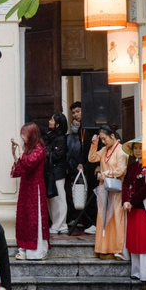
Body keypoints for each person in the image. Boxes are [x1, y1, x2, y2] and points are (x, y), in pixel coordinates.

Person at [122, 138, 146, 281]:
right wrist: (125, 201)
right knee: (134, 240)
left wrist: (132, 201)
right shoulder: (132, 167)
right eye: (136, 148)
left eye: (141, 147)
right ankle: (136, 271)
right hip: (132, 208)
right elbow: (125, 184)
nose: (138, 150)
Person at [88, 124, 129, 260]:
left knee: (116, 217)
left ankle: (117, 249)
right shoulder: (105, 149)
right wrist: (94, 145)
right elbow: (92, 159)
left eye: (104, 138)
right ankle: (104, 248)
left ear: (112, 136)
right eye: (101, 139)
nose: (103, 141)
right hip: (104, 188)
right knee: (103, 218)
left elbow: (120, 170)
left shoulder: (121, 151)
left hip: (116, 189)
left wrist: (104, 174)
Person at [11, 123, 50, 260]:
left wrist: (19, 148)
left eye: (24, 134)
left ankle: (37, 251)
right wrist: (15, 154)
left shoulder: (39, 149)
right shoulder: (30, 149)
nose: (22, 137)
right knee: (25, 218)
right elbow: (19, 169)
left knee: (34, 218)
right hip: (26, 187)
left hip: (35, 189)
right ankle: (24, 249)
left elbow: (28, 163)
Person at [66, 101, 100, 234]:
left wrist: (99, 164)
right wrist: (81, 162)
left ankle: (96, 223)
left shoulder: (93, 126)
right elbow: (82, 148)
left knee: (94, 193)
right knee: (89, 192)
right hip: (87, 163)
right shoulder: (81, 128)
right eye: (73, 113)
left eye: (78, 111)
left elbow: (100, 146)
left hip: (95, 163)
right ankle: (89, 222)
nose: (75, 115)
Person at [45, 112, 68, 234]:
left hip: (58, 171)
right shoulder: (50, 135)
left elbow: (57, 155)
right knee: (52, 198)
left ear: (57, 124)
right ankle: (55, 223)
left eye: (52, 120)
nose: (49, 121)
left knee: (59, 198)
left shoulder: (61, 139)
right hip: (51, 171)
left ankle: (61, 224)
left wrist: (48, 151)